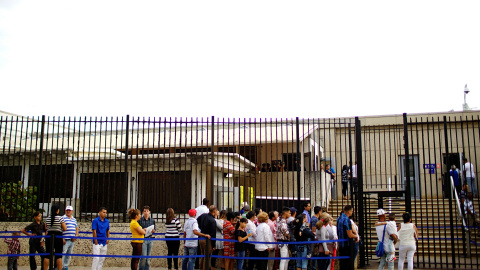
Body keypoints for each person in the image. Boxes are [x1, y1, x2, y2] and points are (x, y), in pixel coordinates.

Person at [43, 204, 67, 270]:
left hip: (49, 236)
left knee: (47, 254)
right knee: (59, 255)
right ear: (57, 210)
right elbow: (65, 228)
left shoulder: (47, 218)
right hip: (58, 236)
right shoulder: (60, 218)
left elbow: (46, 227)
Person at [197, 205, 218, 270]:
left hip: (201, 237)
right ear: (214, 211)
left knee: (203, 255)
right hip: (208, 240)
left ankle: (201, 268)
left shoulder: (203, 215)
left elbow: (197, 220)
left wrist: (201, 228)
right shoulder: (212, 220)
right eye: (217, 210)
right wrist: (214, 245)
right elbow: (213, 233)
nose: (217, 212)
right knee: (207, 256)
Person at [336, 205, 357, 270]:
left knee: (342, 264)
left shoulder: (339, 218)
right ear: (349, 211)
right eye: (352, 211)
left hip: (341, 244)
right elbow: (350, 234)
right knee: (348, 264)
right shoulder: (347, 220)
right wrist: (356, 236)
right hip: (347, 245)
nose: (352, 213)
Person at [139, 206, 156, 270]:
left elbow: (154, 229)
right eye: (145, 211)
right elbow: (139, 230)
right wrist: (143, 230)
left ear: (149, 212)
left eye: (147, 211)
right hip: (143, 239)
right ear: (143, 212)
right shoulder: (140, 220)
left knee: (148, 258)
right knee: (143, 257)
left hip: (150, 238)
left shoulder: (152, 220)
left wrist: (153, 230)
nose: (146, 213)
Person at [62, 205, 79, 270]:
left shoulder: (74, 219)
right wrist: (62, 238)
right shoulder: (62, 218)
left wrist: (76, 235)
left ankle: (65, 266)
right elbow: (60, 229)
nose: (68, 211)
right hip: (65, 239)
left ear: (72, 211)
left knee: (69, 254)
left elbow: (76, 228)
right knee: (63, 253)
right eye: (67, 210)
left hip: (72, 240)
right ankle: (61, 266)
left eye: (69, 210)